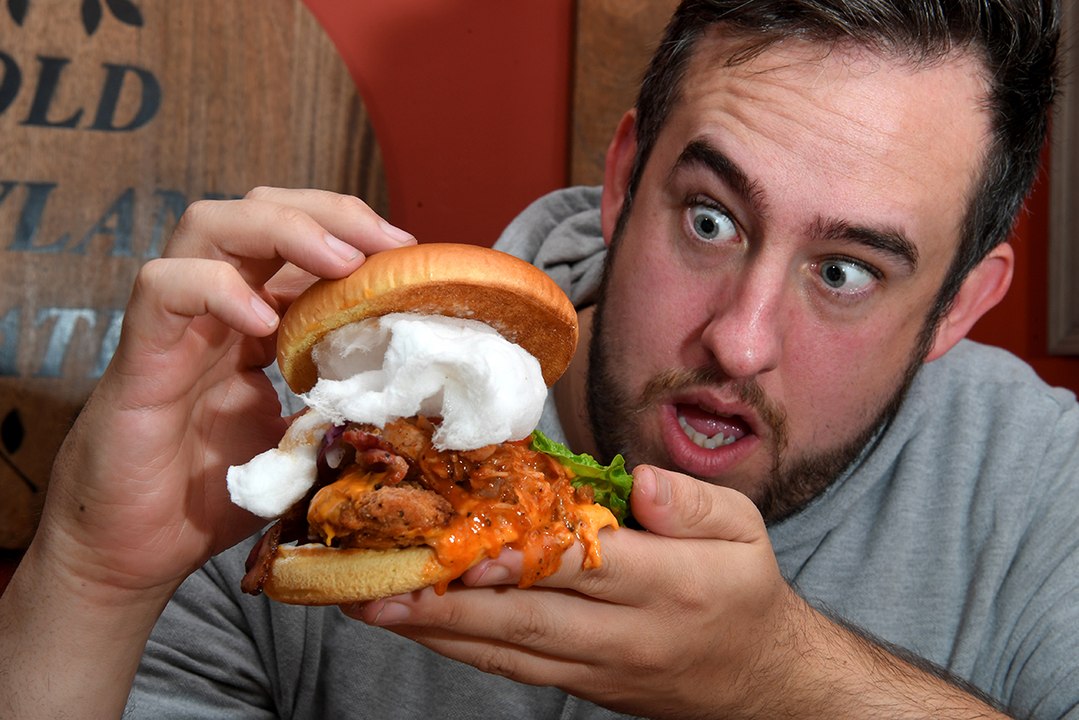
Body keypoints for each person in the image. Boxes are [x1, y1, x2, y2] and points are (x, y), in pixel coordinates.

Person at [1, 0, 1074, 717]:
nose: (737, 341)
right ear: (620, 180)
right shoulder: (288, 429)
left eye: (844, 274)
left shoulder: (1046, 491)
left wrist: (780, 678)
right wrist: (89, 572)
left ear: (956, 309)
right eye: (708, 219)